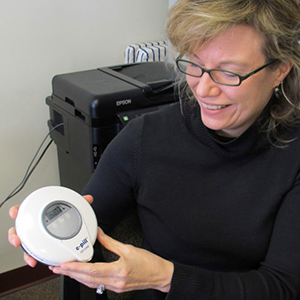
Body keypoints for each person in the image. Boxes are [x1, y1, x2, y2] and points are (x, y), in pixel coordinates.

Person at [8, 0, 300, 299]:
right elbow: (88, 228)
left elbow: (284, 286)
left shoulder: (293, 156)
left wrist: (168, 278)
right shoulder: (144, 137)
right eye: (195, 64)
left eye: (229, 73)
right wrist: (43, 234)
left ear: (279, 70)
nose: (203, 89)